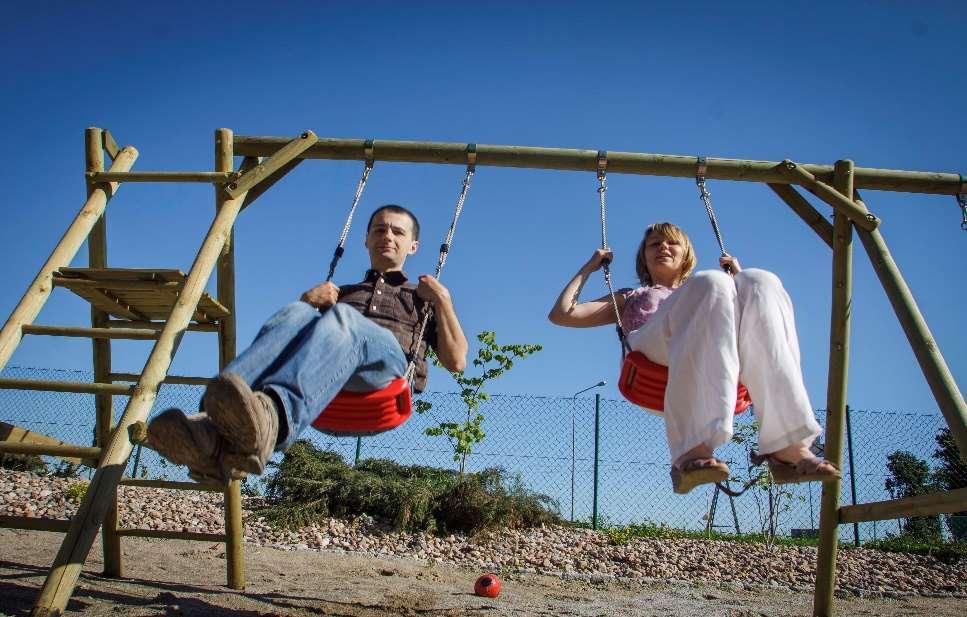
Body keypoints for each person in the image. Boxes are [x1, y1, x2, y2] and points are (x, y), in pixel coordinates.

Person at [147, 204, 469, 483]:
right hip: (330, 382)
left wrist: (443, 299)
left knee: (344, 318)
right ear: (366, 239)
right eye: (379, 229)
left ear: (413, 246)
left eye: (398, 232)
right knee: (296, 311)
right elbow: (292, 338)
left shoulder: (421, 298)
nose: (388, 236)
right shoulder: (342, 292)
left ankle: (273, 419)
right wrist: (308, 301)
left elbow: (457, 361)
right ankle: (210, 430)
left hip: (385, 376)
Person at [548, 222, 839, 494]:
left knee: (760, 280)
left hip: (714, 363)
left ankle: (787, 444)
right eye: (654, 244)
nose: (663, 247)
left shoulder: (716, 288)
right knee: (711, 283)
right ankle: (691, 449)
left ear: (686, 254)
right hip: (651, 360)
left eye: (672, 243)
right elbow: (562, 314)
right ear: (644, 258)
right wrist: (589, 268)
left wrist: (740, 284)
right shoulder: (631, 296)